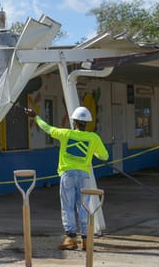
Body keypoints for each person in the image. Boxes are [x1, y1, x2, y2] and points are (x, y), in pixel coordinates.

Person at [23, 106, 108, 250]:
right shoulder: (94, 138)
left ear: (74, 122)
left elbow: (47, 128)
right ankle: (86, 241)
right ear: (86, 123)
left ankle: (71, 238)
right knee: (84, 207)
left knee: (67, 207)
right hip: (84, 177)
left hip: (67, 175)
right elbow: (104, 156)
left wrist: (35, 116)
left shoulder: (65, 134)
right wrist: (93, 152)